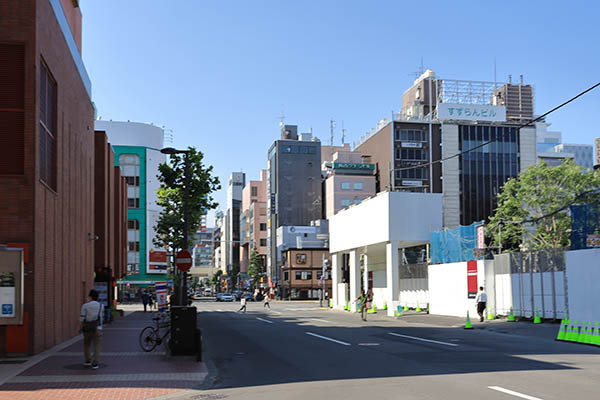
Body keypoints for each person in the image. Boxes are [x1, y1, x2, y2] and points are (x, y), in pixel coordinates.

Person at [79, 289, 104, 369]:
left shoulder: (85, 306)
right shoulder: (101, 306)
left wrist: (80, 327)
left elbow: (82, 318)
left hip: (87, 327)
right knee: (97, 346)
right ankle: (95, 363)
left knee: (87, 344)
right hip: (98, 328)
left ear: (90, 297)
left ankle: (87, 360)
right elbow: (101, 317)